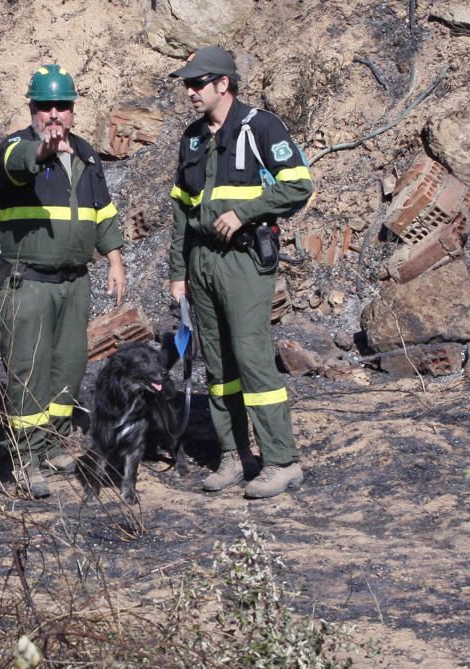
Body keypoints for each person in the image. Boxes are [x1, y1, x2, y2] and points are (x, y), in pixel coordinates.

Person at [167, 46, 314, 499]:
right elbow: (180, 209)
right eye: (187, 83)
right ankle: (234, 455)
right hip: (202, 262)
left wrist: (245, 212)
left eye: (198, 83)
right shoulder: (192, 138)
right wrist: (178, 272)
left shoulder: (261, 127)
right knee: (218, 364)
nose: (190, 91)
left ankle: (282, 461)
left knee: (251, 359)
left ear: (223, 84)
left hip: (244, 260)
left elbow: (298, 185)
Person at [0, 64, 126, 498]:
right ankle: (25, 459)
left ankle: (52, 441)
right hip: (26, 281)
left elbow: (101, 211)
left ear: (72, 110)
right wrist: (44, 152)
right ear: (32, 109)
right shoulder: (15, 149)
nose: (53, 114)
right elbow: (21, 166)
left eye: (61, 106)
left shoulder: (85, 153)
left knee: (68, 365)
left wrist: (115, 261)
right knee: (28, 368)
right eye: (44, 106)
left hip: (74, 281)